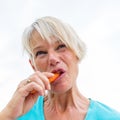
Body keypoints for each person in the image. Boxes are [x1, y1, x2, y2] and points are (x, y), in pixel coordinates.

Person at [0, 16, 120, 120]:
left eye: (61, 46)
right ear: (33, 65)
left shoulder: (111, 117)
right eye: (41, 52)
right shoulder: (19, 114)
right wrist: (8, 115)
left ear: (77, 53)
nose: (52, 58)